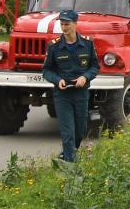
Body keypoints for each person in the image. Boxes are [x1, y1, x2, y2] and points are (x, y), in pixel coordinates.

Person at [41, 9, 98, 163]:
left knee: (80, 131)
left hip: (81, 93)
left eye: (67, 24)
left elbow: (95, 67)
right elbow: (46, 70)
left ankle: (66, 155)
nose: (64, 27)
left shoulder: (87, 44)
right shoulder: (54, 46)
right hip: (62, 94)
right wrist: (57, 80)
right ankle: (69, 168)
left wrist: (85, 77)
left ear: (75, 24)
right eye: (62, 24)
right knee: (68, 133)